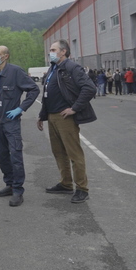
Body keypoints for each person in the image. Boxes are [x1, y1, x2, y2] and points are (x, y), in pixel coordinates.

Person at [0, 46, 39, 207]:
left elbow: (33, 89)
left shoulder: (16, 72)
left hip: (11, 122)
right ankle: (10, 184)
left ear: (6, 56)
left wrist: (21, 108)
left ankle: (18, 190)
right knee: (2, 156)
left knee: (15, 155)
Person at [37, 39, 96, 204]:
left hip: (66, 117)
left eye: (53, 49)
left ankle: (82, 189)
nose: (50, 52)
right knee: (59, 152)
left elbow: (89, 88)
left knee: (74, 154)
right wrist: (43, 115)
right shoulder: (52, 69)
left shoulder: (72, 67)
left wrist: (75, 108)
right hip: (52, 116)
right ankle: (66, 183)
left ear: (63, 51)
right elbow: (47, 95)